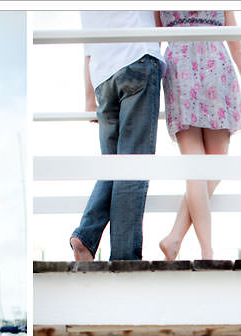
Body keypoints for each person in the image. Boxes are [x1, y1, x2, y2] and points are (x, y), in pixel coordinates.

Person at [156, 10, 241, 260]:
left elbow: (152, 41)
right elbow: (236, 46)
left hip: (179, 69)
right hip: (214, 66)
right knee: (212, 166)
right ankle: (201, 249)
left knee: (197, 166)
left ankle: (179, 240)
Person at [69, 10, 166, 262]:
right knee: (132, 166)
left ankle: (87, 235)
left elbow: (87, 47)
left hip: (103, 77)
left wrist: (89, 98)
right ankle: (125, 260)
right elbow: (159, 20)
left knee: (114, 164)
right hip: (137, 59)